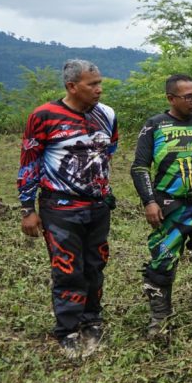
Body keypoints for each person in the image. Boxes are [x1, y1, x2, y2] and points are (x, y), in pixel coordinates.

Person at [17, 59, 118, 359]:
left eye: (100, 83)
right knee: (67, 269)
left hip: (98, 206)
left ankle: (92, 320)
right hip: (59, 207)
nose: (99, 89)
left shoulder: (107, 115)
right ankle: (68, 329)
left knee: (95, 266)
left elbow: (108, 152)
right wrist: (27, 208)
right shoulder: (44, 116)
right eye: (92, 84)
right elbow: (29, 162)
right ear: (72, 86)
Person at [131, 74, 192, 337]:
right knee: (162, 262)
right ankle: (160, 317)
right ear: (171, 98)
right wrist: (149, 202)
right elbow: (140, 167)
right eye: (188, 96)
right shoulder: (155, 126)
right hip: (169, 208)